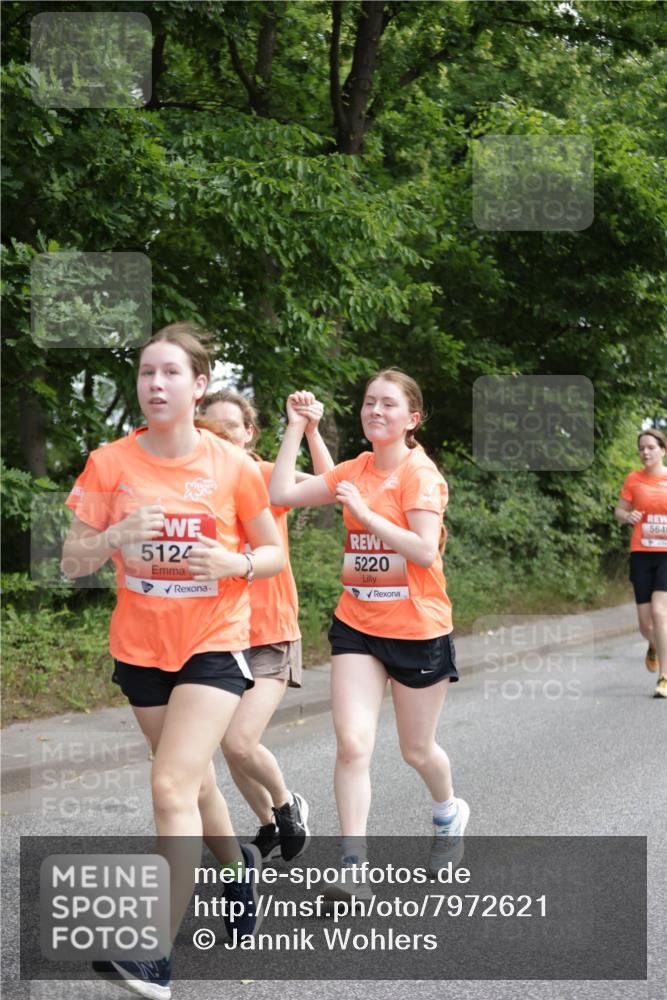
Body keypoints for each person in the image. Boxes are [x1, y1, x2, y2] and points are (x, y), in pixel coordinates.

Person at [61, 324, 284, 999]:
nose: (155, 385)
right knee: (194, 787)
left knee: (168, 788)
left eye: (169, 374)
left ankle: (153, 955)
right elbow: (71, 562)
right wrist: (114, 535)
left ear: (197, 384)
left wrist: (234, 563)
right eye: (145, 374)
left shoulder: (232, 466)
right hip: (141, 649)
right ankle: (237, 866)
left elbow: (273, 553)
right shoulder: (110, 463)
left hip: (214, 644)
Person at [270, 369, 467, 893]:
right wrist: (298, 428)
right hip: (357, 624)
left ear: (412, 418)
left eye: (388, 405)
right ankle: (354, 867)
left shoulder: (421, 476)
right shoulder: (356, 469)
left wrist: (365, 515)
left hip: (418, 628)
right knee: (353, 745)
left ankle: (447, 814)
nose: (375, 411)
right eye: (368, 403)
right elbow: (283, 492)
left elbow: (424, 550)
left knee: (416, 750)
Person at [197, 388, 334, 861]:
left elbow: (329, 484)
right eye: (206, 426)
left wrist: (305, 429)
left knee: (239, 740)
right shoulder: (196, 487)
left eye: (229, 426)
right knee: (225, 744)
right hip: (218, 635)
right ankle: (268, 823)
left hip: (270, 632)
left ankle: (287, 805)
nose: (217, 435)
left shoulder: (258, 474)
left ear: (249, 433)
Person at [614, 427, 667, 698]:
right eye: (642, 448)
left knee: (660, 613)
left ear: (663, 450)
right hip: (641, 554)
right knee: (645, 625)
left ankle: (664, 676)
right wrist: (627, 517)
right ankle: (656, 645)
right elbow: (619, 510)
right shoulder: (633, 479)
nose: (645, 452)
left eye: (651, 447)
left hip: (666, 555)